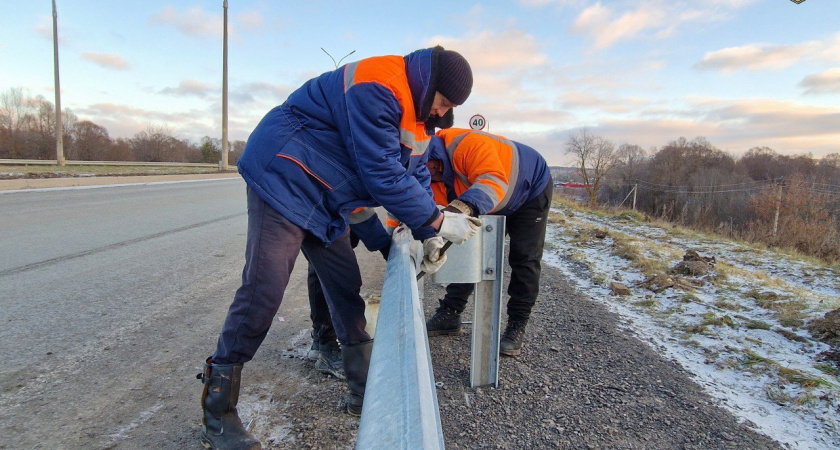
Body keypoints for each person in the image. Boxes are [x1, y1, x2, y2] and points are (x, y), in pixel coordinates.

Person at [197, 46, 479, 450]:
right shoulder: (379, 85)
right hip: (285, 174)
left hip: (327, 194)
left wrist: (427, 233)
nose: (441, 112)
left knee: (346, 288)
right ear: (432, 85)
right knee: (265, 289)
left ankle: (364, 392)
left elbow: (412, 177)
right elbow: (382, 174)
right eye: (443, 102)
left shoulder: (420, 120)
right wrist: (436, 220)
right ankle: (218, 412)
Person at [423, 128, 553, 357]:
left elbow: (493, 181)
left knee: (525, 257)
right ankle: (450, 313)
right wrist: (431, 239)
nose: (426, 175)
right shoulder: (429, 176)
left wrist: (460, 210)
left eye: (426, 169)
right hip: (488, 198)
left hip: (528, 189)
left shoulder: (466, 144)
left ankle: (517, 324)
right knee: (468, 248)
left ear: (433, 159)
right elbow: (432, 217)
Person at [305, 208, 391, 381]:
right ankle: (328, 345)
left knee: (321, 269)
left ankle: (322, 339)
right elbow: (358, 210)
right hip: (317, 216)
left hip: (323, 213)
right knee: (339, 276)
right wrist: (384, 245)